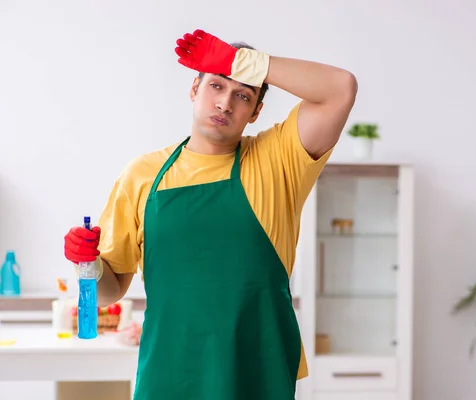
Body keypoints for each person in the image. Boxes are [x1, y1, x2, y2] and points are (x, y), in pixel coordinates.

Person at [63, 28, 358, 400]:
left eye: (243, 95)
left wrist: (240, 62)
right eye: (216, 86)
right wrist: (85, 263)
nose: (225, 104)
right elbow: (110, 291)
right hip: (170, 371)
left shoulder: (277, 161)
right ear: (194, 90)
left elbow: (340, 89)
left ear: (255, 112)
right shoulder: (143, 174)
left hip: (256, 371)